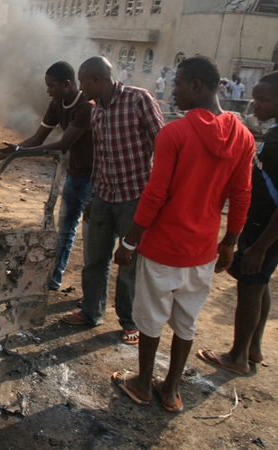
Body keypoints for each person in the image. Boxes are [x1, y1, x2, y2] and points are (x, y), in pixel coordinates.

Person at [110, 55, 255, 412]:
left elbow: (155, 194)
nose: (172, 91)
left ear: (196, 85)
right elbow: (241, 196)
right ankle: (172, 390)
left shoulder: (174, 133)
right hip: (203, 250)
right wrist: (230, 243)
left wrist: (130, 241)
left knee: (150, 317)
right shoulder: (244, 137)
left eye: (176, 84)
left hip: (163, 247)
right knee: (186, 321)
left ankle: (143, 383)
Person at [198, 71, 278, 375]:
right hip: (268, 219)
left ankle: (237, 356)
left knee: (250, 285)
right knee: (259, 282)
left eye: (263, 100)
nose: (255, 105)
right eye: (255, 98)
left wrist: (260, 247)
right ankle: (254, 347)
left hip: (272, 224)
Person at [61, 56, 164, 345]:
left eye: (83, 81)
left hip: (134, 198)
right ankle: (91, 311)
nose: (80, 87)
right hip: (104, 196)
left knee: (128, 264)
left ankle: (129, 321)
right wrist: (93, 199)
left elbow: (163, 147)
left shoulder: (139, 100)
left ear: (97, 79)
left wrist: (154, 196)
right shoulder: (96, 112)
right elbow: (101, 160)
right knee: (95, 259)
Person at [0, 62, 95, 291]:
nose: (48, 91)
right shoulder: (57, 103)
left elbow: (64, 145)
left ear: (67, 84)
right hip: (74, 175)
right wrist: (4, 153)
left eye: (51, 86)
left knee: (94, 242)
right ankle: (53, 280)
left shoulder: (87, 106)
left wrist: (22, 152)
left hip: (96, 179)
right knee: (65, 231)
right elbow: (37, 139)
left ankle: (91, 297)